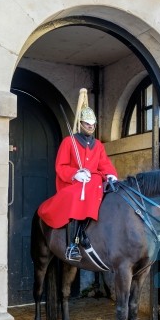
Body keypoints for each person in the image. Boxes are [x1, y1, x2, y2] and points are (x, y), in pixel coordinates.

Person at [37, 88, 118, 260]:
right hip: (74, 183)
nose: (91, 126)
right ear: (80, 123)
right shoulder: (69, 142)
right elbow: (61, 166)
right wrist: (75, 174)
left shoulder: (98, 145)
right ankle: (72, 245)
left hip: (95, 181)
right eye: (87, 123)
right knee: (76, 197)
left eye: (93, 124)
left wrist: (110, 174)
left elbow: (104, 164)